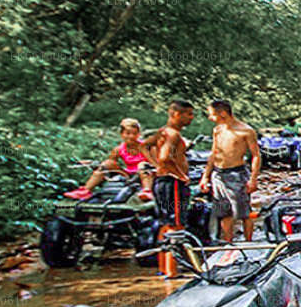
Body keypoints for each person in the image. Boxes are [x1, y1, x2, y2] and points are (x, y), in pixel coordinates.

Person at [199, 100, 262, 242]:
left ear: (222, 113)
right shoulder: (217, 130)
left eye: (212, 114)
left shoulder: (245, 131)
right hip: (218, 175)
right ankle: (229, 244)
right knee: (224, 213)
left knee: (244, 212)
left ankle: (248, 243)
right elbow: (214, 153)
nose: (210, 118)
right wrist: (205, 176)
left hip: (237, 174)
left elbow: (256, 155)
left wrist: (253, 179)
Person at [65, 118, 152, 201]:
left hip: (145, 174)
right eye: (128, 133)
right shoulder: (119, 149)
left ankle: (147, 191)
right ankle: (86, 190)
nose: (131, 136)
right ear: (122, 134)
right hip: (128, 174)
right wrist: (93, 163)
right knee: (107, 163)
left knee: (142, 165)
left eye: (134, 134)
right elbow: (109, 163)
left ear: (138, 134)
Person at [150, 101, 193, 235]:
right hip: (172, 183)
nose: (191, 118)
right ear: (177, 114)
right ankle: (174, 248)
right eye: (189, 114)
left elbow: (144, 147)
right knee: (176, 224)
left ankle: (164, 248)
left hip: (163, 180)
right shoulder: (173, 134)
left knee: (166, 222)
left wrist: (156, 165)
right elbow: (165, 157)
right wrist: (181, 176)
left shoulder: (163, 132)